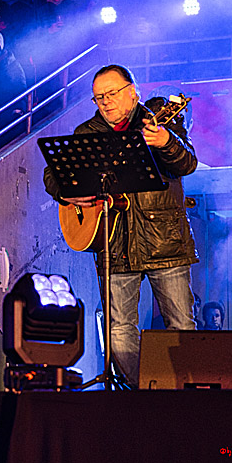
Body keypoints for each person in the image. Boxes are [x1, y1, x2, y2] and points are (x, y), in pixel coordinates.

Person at [43, 64, 198, 387]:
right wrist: (70, 195)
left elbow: (187, 163)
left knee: (181, 326)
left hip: (164, 240)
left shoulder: (159, 122)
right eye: (99, 97)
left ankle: (183, 398)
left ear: (133, 92)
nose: (106, 102)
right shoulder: (87, 133)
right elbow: (54, 173)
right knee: (118, 333)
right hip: (113, 245)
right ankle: (144, 394)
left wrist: (166, 142)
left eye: (112, 94)